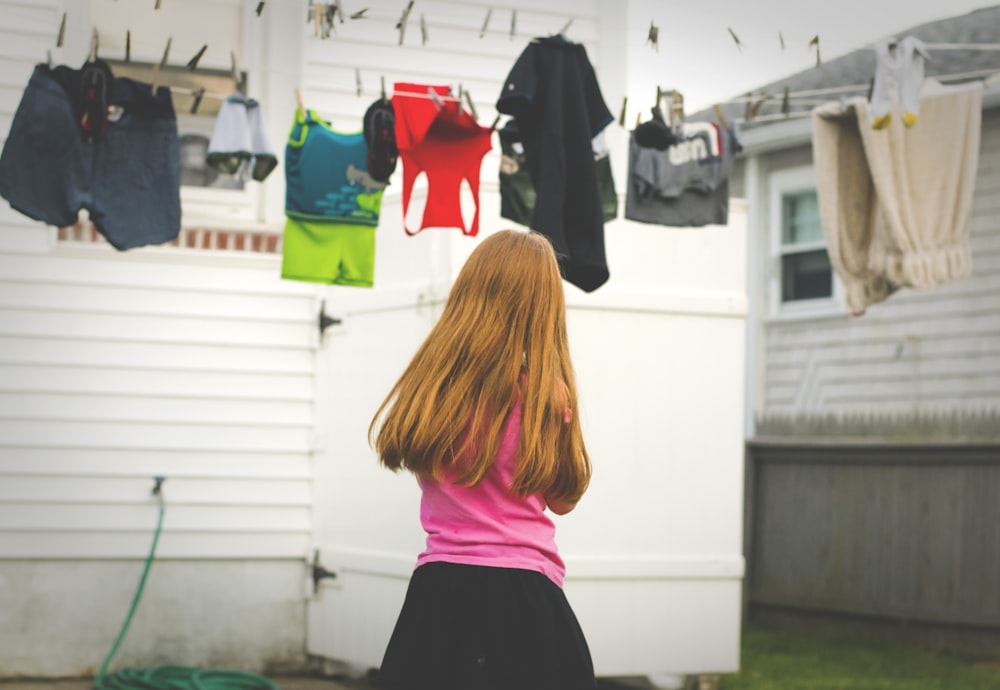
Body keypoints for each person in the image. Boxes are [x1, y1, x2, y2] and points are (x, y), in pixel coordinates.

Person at [369, 229, 596, 690]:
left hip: (437, 593)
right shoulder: (545, 397)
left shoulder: (433, 392)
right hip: (525, 597)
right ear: (543, 307)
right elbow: (563, 500)